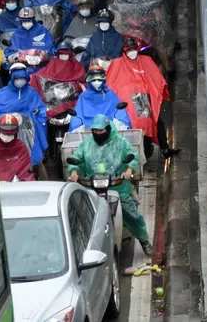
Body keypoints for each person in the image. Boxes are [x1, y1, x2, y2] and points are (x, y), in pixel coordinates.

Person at [67, 114, 153, 255]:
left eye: (101, 131)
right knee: (77, 215)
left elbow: (132, 156)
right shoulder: (87, 143)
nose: (98, 134)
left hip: (118, 186)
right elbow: (77, 157)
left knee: (133, 215)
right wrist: (74, 172)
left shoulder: (120, 142)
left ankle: (144, 240)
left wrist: (129, 170)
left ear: (108, 129)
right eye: (95, 131)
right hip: (92, 186)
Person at [107, 38, 180, 159]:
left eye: (133, 49)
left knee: (152, 121)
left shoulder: (146, 61)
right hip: (124, 101)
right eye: (128, 50)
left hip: (142, 98)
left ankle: (162, 148)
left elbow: (155, 77)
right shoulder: (117, 64)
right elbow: (111, 83)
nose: (132, 52)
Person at [0, 64, 49, 167]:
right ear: (12, 78)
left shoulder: (32, 93)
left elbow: (40, 112)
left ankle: (30, 163)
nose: (20, 80)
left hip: (27, 129)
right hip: (5, 125)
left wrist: (23, 118)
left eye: (22, 78)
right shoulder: (2, 93)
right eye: (17, 78)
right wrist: (7, 118)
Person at [68, 65, 131, 131]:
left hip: (109, 130)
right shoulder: (84, 96)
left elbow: (120, 114)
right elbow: (77, 117)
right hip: (88, 131)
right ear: (88, 79)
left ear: (104, 79)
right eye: (93, 79)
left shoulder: (110, 94)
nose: (96, 82)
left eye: (99, 79)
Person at [0, 113, 35, 182]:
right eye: (5, 133)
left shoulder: (20, 147)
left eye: (10, 134)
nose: (7, 136)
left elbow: (25, 171)